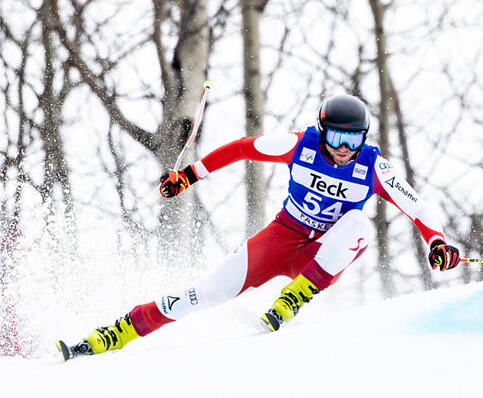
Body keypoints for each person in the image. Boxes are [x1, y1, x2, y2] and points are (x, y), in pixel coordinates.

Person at [58, 94, 460, 360]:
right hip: (283, 237)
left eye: (352, 140)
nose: (342, 148)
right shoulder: (299, 145)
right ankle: (117, 332)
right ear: (322, 130)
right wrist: (190, 176)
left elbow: (416, 206)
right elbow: (242, 148)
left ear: (363, 139)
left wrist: (437, 241)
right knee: (208, 292)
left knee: (359, 224)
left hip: (323, 253)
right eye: (336, 137)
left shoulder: (371, 165)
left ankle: (293, 298)